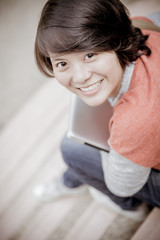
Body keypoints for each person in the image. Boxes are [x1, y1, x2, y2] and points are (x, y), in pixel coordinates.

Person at [33, 0, 160, 221]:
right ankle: (72, 179)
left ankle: (130, 207)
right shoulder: (143, 24)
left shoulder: (135, 121)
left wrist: (114, 141)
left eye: (90, 55)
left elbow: (122, 186)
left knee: (72, 148)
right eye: (62, 63)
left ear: (117, 40)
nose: (80, 77)